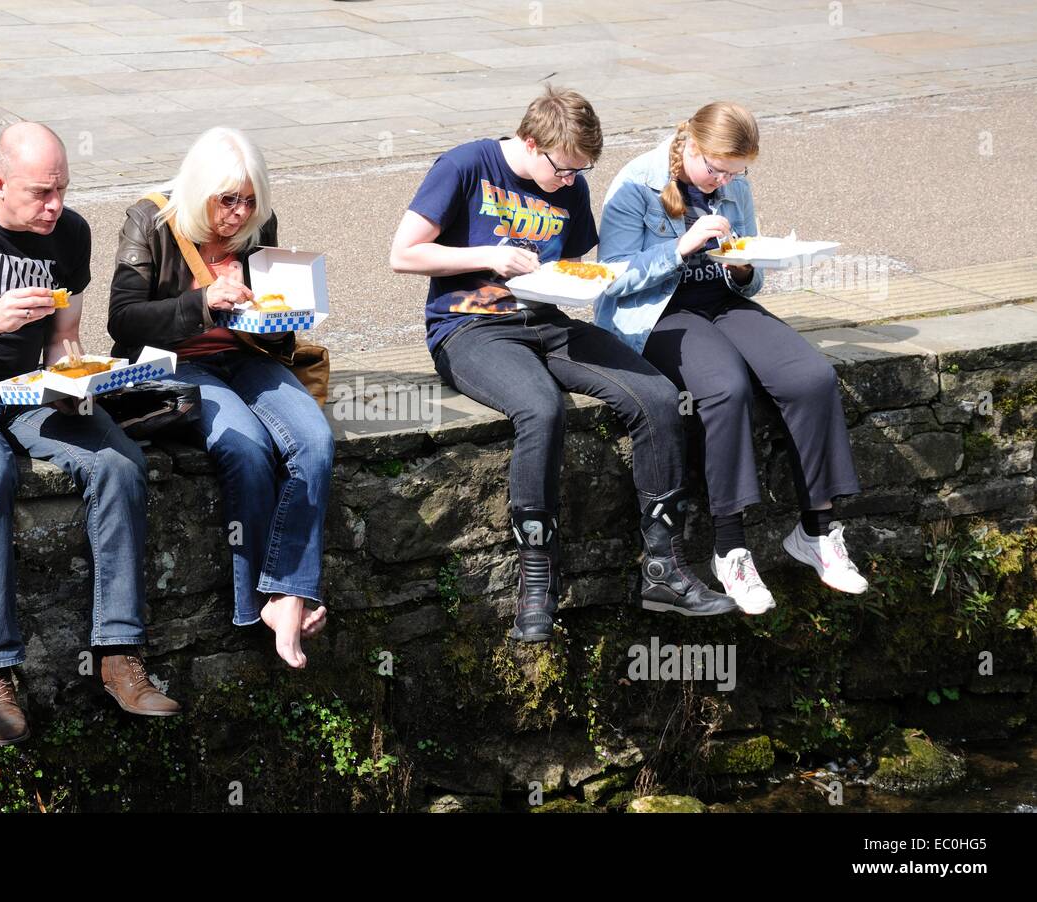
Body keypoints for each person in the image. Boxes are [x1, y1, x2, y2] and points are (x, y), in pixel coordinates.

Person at [390, 85, 738, 640]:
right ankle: (537, 579)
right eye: (564, 170)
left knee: (655, 397)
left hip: (548, 322)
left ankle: (662, 567)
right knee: (541, 409)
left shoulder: (569, 182)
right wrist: (487, 256)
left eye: (582, 170)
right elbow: (402, 253)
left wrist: (575, 282)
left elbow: (571, 264)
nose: (572, 181)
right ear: (531, 143)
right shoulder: (464, 165)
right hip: (470, 329)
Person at [0, 122, 179, 746]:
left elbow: (63, 338)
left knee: (118, 464)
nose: (55, 207)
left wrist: (77, 379)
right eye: (41, 193)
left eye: (62, 190)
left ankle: (119, 654)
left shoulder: (69, 233)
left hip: (28, 391)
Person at [595, 101, 867, 615]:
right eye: (715, 169)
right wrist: (679, 249)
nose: (723, 181)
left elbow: (748, 274)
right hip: (655, 313)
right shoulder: (635, 183)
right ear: (691, 146)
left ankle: (817, 530)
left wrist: (744, 268)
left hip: (720, 302)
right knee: (726, 386)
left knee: (811, 377)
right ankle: (729, 547)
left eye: (734, 173)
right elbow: (612, 277)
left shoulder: (734, 183)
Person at [108, 127, 333, 670]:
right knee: (247, 448)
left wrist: (284, 314)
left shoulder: (258, 226)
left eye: (251, 200)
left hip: (245, 353)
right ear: (200, 190)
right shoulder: (150, 220)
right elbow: (123, 319)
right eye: (227, 200)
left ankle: (287, 593)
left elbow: (273, 323)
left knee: (314, 441)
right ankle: (258, 601)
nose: (239, 214)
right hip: (175, 361)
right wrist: (203, 302)